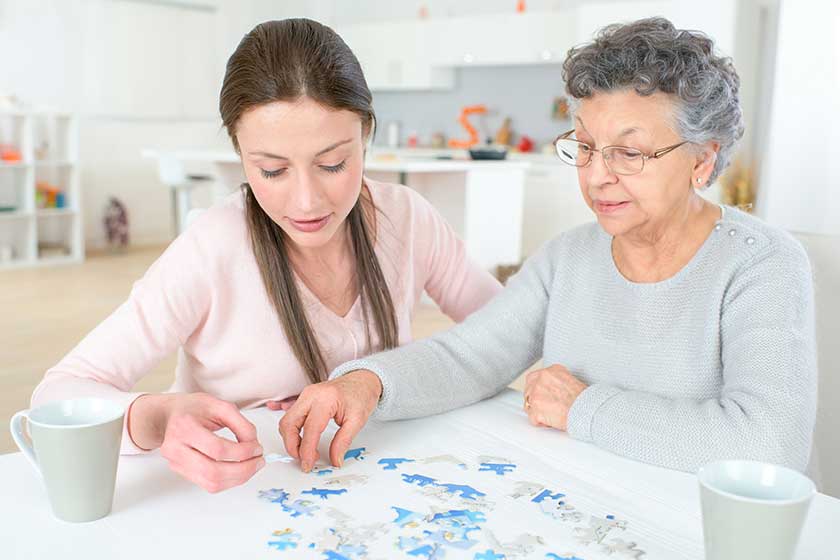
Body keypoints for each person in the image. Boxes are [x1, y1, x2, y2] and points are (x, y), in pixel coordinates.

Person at [280, 17, 817, 474]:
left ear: (702, 160)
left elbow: (769, 444)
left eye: (629, 153)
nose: (597, 176)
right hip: (582, 506)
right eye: (584, 146)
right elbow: (470, 357)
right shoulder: (568, 257)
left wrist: (582, 408)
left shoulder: (760, 263)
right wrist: (367, 383)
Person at [31, 19, 501, 493]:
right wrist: (156, 416)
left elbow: (508, 332)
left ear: (366, 134)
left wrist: (373, 381)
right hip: (237, 502)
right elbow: (57, 395)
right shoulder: (212, 247)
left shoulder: (407, 219)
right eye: (272, 170)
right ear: (240, 154)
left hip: (374, 491)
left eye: (333, 164)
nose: (306, 202)